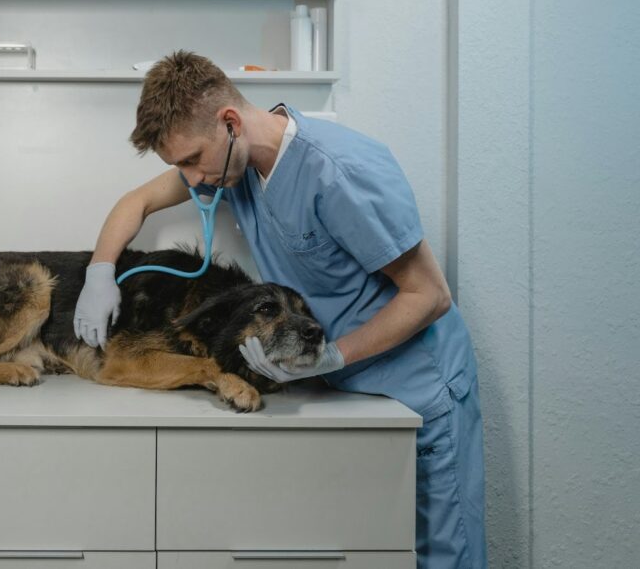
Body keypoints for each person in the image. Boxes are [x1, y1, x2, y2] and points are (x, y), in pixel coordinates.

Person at [73, 51, 486, 568]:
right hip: (341, 391)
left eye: (192, 160)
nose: (192, 179)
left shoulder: (339, 170)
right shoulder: (230, 163)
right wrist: (99, 272)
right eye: (178, 166)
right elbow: (134, 203)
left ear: (229, 123)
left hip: (414, 386)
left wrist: (333, 356)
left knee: (440, 555)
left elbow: (430, 295)